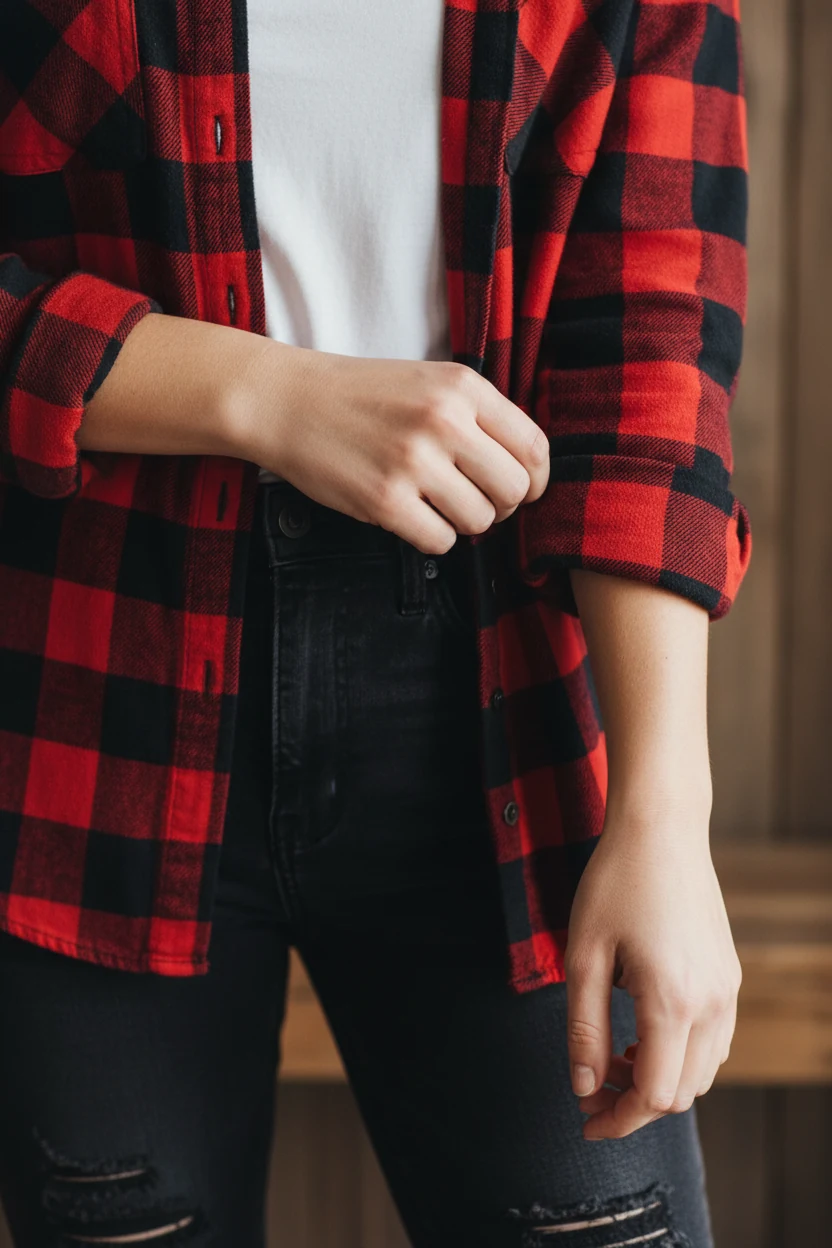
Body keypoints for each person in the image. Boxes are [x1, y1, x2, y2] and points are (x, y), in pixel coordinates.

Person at [0, 0, 751, 1245]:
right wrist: (266, 393)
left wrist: (666, 819)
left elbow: (650, 377)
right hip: (94, 701)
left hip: (495, 704)